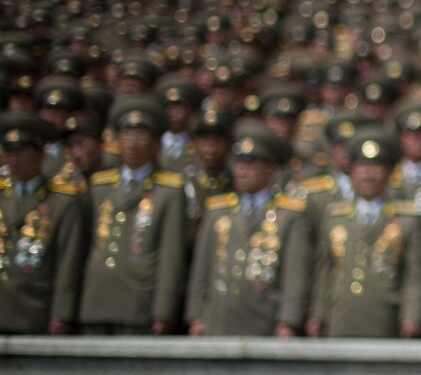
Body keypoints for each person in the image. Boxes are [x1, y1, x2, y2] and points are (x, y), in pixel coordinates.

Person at [185, 125, 311, 337]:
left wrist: (289, 321)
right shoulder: (218, 211)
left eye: (251, 164)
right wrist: (196, 315)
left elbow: (294, 275)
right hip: (219, 317)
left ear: (270, 170)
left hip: (265, 319)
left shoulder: (289, 216)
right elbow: (202, 269)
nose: (242, 171)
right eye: (239, 163)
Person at [78, 96, 187, 334]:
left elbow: (171, 256)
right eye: (127, 135)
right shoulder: (99, 186)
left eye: (141, 136)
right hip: (95, 299)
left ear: (157, 143)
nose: (133, 144)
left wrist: (163, 309)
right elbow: (83, 246)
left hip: (139, 303)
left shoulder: (169, 190)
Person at [307, 129, 421, 339]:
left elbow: (415, 276)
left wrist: (412, 317)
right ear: (351, 172)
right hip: (341, 315)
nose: (368, 174)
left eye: (375, 167)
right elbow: (324, 273)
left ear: (389, 172)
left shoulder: (406, 219)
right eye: (361, 167)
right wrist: (318, 314)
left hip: (385, 316)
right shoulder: (336, 216)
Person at [0, 113, 88, 334]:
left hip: (34, 308)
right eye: (9, 153)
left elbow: (68, 263)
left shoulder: (61, 201)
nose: (14, 161)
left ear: (41, 155)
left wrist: (62, 313)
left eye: (21, 152)